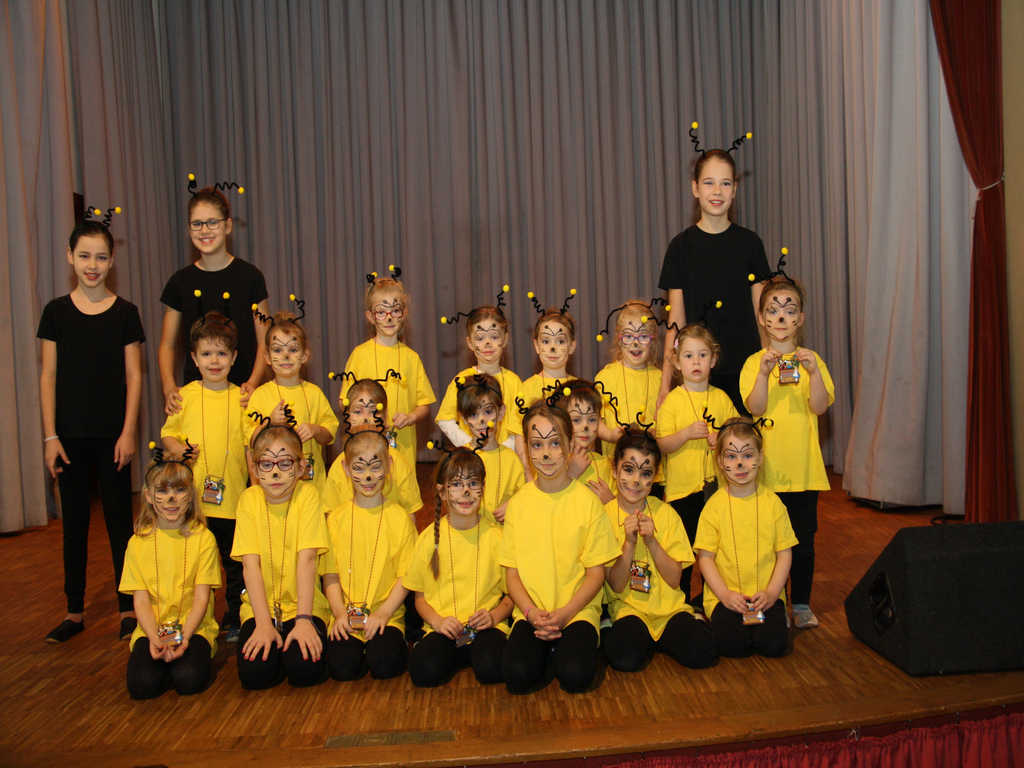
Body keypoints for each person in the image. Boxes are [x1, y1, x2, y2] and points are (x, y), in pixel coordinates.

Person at [38, 215, 143, 643]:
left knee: (120, 523)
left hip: (113, 437)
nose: (92, 265)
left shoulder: (126, 314)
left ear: (112, 260)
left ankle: (128, 608)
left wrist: (129, 431)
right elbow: (48, 376)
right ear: (70, 257)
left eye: (101, 257)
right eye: (84, 256)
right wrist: (50, 436)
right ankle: (74, 611)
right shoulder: (56, 313)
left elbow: (134, 376)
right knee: (74, 525)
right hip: (68, 438)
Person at [499, 404, 620, 693]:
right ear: (527, 449)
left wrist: (566, 614)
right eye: (537, 444)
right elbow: (511, 574)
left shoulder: (588, 502)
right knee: (517, 676)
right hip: (532, 612)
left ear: (570, 445)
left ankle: (571, 647)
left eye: (554, 443)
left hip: (577, 611)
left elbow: (596, 574)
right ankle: (548, 650)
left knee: (575, 676)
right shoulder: (519, 504)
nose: (546, 453)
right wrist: (531, 613)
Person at [740, 276, 834, 629]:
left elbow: (820, 406)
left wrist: (814, 373)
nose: (781, 317)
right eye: (773, 310)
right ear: (762, 319)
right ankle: (772, 600)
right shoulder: (754, 363)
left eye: (789, 310)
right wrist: (764, 374)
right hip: (765, 471)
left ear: (800, 318)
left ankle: (802, 603)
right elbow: (755, 408)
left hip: (804, 470)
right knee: (766, 541)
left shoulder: (813, 361)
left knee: (803, 541)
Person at [657, 136, 770, 414]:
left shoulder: (750, 244)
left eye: (725, 183)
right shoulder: (680, 247)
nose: (717, 191)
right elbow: (676, 322)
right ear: (695, 188)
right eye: (709, 182)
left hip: (747, 375)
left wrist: (768, 371)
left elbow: (763, 316)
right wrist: (665, 385)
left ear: (735, 190)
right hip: (698, 378)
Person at [160, 311, 247, 642]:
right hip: (194, 504)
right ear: (194, 359)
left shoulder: (242, 399)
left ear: (233, 357)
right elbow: (168, 435)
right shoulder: (185, 396)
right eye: (206, 354)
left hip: (234, 502)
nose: (214, 361)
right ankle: (199, 620)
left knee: (235, 566)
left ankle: (236, 617)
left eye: (221, 353)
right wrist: (178, 449)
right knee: (197, 566)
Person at [602, 430, 716, 671]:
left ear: (654, 477)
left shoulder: (666, 514)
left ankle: (688, 621)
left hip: (669, 610)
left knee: (703, 652)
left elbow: (675, 579)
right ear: (614, 470)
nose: (636, 481)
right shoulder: (604, 517)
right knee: (625, 659)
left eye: (645, 473)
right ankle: (611, 626)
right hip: (629, 610)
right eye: (628, 469)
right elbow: (616, 585)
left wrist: (652, 542)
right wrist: (629, 544)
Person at [232, 425, 330, 689]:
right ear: (254, 469)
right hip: (260, 608)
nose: (275, 472)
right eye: (266, 464)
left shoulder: (308, 495)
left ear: (300, 467)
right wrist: (263, 623)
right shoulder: (248, 500)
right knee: (255, 675)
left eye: (285, 463)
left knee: (304, 670)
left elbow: (307, 560)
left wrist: (304, 620)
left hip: (304, 607)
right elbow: (250, 565)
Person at [404, 448, 512, 687]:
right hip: (443, 627)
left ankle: (467, 655)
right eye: (456, 484)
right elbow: (420, 598)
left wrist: (493, 617)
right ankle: (455, 654)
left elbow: (511, 596)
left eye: (473, 483)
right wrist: (438, 622)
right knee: (423, 672)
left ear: (483, 488)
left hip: (486, 627)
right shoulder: (428, 539)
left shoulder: (497, 537)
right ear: (442, 492)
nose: (466, 492)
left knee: (493, 668)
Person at [158, 184, 269, 413]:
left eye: (212, 222)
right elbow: (167, 345)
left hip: (243, 398)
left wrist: (253, 383)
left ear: (227, 225)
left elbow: (264, 341)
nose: (204, 230)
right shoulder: (179, 282)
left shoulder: (251, 277)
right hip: (196, 399)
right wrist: (169, 387)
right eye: (197, 224)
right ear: (189, 229)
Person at [120, 450, 220, 698]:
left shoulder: (204, 539)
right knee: (142, 686)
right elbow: (141, 600)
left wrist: (184, 638)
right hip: (152, 628)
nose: (171, 499)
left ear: (190, 495)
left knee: (189, 680)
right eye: (162, 491)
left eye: (179, 490)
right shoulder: (137, 543)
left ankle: (178, 663)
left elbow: (202, 598)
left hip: (194, 628)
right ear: (148, 496)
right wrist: (154, 638)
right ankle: (164, 663)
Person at [695, 417, 796, 658]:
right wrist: (725, 595)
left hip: (765, 598)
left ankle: (777, 617)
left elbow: (784, 554)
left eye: (748, 455)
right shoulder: (713, 507)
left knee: (774, 646)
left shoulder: (774, 504)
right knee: (732, 646)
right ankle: (703, 613)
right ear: (720, 462)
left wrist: (772, 593)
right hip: (727, 597)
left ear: (760, 458)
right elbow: (705, 559)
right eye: (731, 456)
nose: (740, 463)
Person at [322, 429, 416, 681]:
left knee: (385, 665)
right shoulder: (335, 520)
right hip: (346, 615)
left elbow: (405, 577)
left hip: (387, 616)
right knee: (342, 669)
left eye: (375, 467)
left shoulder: (399, 518)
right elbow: (330, 575)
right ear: (345, 469)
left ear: (389, 466)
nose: (368, 476)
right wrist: (339, 614)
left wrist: (384, 613)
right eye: (359, 468)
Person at [656, 324, 737, 608]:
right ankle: (680, 602)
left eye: (703, 355)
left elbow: (736, 435)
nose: (696, 362)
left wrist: (722, 440)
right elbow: (662, 444)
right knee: (684, 548)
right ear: (678, 363)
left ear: (713, 360)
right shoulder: (672, 401)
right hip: (682, 492)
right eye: (689, 356)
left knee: (711, 549)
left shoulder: (721, 398)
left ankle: (708, 600)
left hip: (716, 491)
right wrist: (685, 434)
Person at [343, 269, 436, 471]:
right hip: (367, 449)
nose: (389, 317)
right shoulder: (359, 355)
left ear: (404, 313)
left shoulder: (411, 358)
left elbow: (424, 405)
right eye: (381, 312)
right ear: (370, 316)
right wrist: (366, 419)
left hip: (403, 448)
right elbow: (345, 402)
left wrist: (410, 417)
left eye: (395, 310)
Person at [243, 308, 338, 498]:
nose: (286, 356)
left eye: (293, 350)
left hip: (312, 490)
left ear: (305, 355)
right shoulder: (260, 396)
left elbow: (329, 435)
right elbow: (250, 441)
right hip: (273, 490)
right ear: (267, 357)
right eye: (278, 350)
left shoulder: (314, 393)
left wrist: (315, 430)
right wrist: (269, 423)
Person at [322, 378, 423, 518]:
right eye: (358, 411)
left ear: (385, 416)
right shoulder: (339, 466)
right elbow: (331, 516)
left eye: (374, 411)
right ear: (347, 416)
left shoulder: (398, 462)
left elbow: (410, 514)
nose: (366, 418)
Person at [436, 298, 521, 449]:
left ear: (505, 339)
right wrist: (470, 445)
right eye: (480, 338)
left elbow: (520, 423)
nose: (487, 343)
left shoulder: (514, 382)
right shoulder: (461, 380)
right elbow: (445, 420)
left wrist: (505, 449)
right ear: (470, 343)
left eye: (494, 337)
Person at [510, 300, 579, 470]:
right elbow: (519, 437)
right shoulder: (526, 389)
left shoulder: (579, 389)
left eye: (560, 341)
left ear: (572, 346)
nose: (553, 348)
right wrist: (528, 472)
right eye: (546, 341)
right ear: (536, 345)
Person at [454, 374, 524, 524]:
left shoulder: (512, 460)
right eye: (473, 414)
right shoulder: (459, 459)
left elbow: (525, 495)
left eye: (488, 412)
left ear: (501, 412)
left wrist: (513, 504)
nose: (481, 420)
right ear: (464, 419)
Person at [594, 300, 662, 455]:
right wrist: (610, 435)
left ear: (652, 340)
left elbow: (668, 423)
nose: (635, 343)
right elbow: (594, 421)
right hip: (615, 463)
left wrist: (657, 433)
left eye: (643, 336)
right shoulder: (605, 378)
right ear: (619, 339)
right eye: (628, 336)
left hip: (651, 462)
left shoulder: (660, 379)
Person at [552, 381, 616, 503]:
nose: (585, 427)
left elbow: (619, 511)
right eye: (576, 420)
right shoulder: (551, 462)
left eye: (592, 419)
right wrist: (571, 474)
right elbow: (546, 504)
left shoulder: (605, 465)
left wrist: (610, 502)